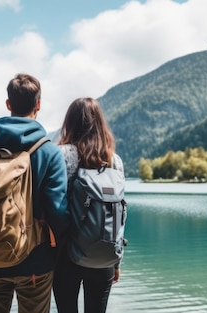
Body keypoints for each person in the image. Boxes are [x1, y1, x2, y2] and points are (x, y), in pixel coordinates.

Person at [0, 73, 70, 313]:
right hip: (36, 264)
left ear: (8, 104)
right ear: (38, 104)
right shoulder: (49, 153)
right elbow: (58, 213)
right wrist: (55, 258)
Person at [53, 97, 124, 313]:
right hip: (104, 253)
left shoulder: (61, 154)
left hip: (66, 255)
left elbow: (54, 207)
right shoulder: (114, 160)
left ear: (69, 123)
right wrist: (116, 261)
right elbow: (119, 214)